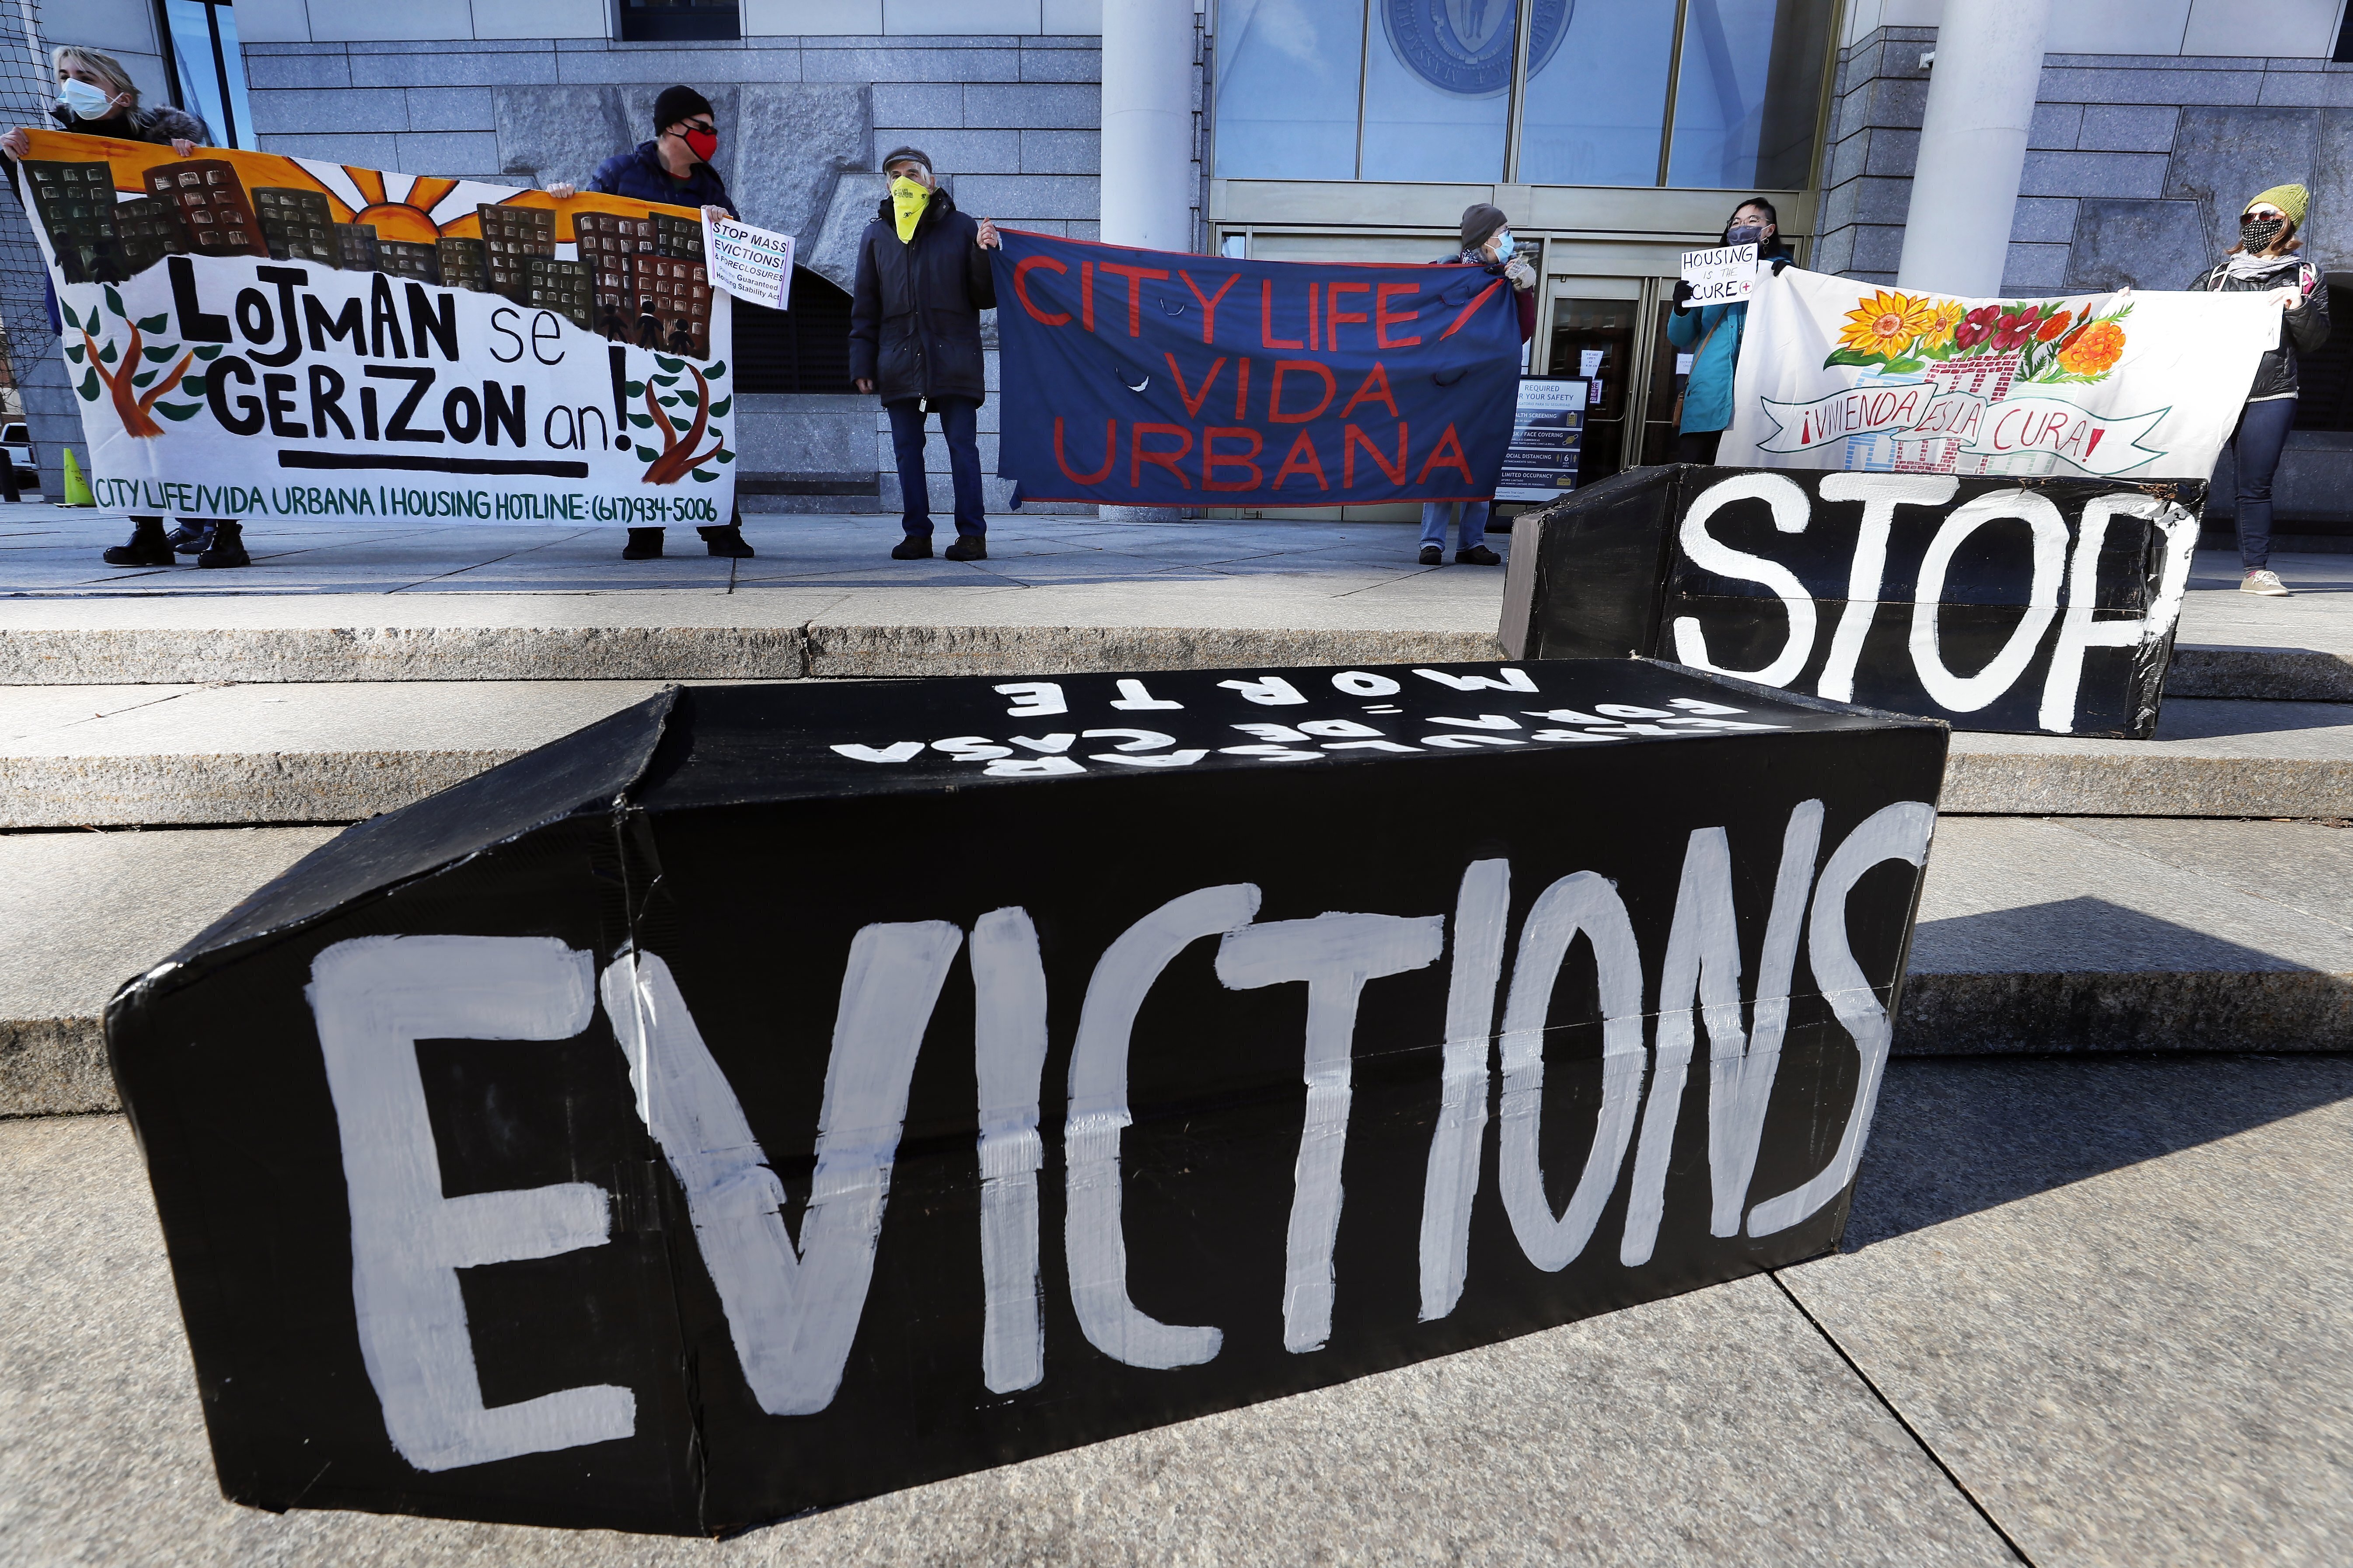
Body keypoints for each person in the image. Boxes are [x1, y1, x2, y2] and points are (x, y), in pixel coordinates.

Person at [3, 51, 238, 567]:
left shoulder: (172, 143)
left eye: (85, 77)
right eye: (65, 77)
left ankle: (225, 530)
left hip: (170, 292)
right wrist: (15, 161)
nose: (71, 86)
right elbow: (47, 220)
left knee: (199, 407)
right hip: (92, 291)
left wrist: (192, 161)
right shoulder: (50, 148)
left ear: (122, 94)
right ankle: (148, 529)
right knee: (117, 407)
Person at [547, 86, 752, 562]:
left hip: (689, 322)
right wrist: (560, 200)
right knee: (642, 420)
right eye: (702, 127)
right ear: (671, 128)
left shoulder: (709, 185)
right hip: (629, 323)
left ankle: (720, 528)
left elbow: (736, 251)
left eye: (712, 129)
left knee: (705, 418)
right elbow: (581, 227)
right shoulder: (620, 173)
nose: (711, 137)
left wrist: (724, 222)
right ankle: (645, 531)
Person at [850, 147, 1000, 562]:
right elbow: (866, 304)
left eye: (912, 172)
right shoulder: (877, 234)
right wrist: (862, 362)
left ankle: (973, 536)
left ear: (931, 180)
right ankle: (917, 534)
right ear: (886, 185)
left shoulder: (962, 227)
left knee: (962, 448)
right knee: (906, 450)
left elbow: (985, 297)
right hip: (899, 359)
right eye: (895, 175)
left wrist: (986, 253)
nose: (904, 180)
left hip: (954, 357)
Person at [2189, 184, 2330, 597]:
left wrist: (2297, 307)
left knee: (2255, 486)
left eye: (2269, 217)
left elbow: (2316, 339)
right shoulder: (2217, 277)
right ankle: (2153, 563)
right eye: (2250, 217)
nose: (2257, 225)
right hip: (2213, 391)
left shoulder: (2305, 275)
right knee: (2183, 478)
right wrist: (2137, 307)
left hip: (2271, 392)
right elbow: (2178, 322)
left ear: (2289, 224)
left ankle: (2256, 572)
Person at [1419, 203, 1539, 567]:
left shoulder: (1506, 279)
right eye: (1505, 230)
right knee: (1444, 458)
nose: (1509, 237)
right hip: (1448, 386)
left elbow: (1522, 333)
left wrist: (1524, 293)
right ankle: (1433, 542)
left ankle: (1472, 542)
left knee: (1481, 459)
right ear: (1487, 236)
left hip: (1488, 388)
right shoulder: (1445, 273)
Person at [1666, 197, 1795, 466]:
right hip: (1708, 396)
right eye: (1735, 223)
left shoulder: (1782, 276)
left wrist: (1789, 283)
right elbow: (1680, 338)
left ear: (1769, 230)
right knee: (1691, 473)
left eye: (1752, 221)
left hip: (1760, 395)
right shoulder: (1707, 274)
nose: (1741, 227)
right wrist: (1681, 307)